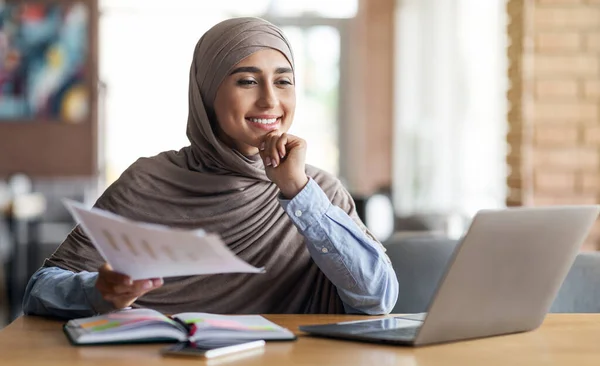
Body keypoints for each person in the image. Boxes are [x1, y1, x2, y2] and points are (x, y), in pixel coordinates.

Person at [22, 17, 398, 319]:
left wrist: (298, 193)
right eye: (247, 81)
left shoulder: (317, 191)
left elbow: (377, 298)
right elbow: (40, 289)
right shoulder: (149, 181)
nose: (270, 100)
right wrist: (98, 290)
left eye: (283, 81)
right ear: (206, 93)